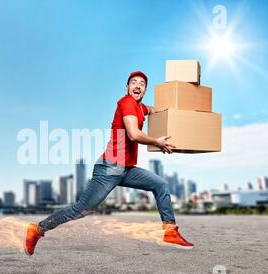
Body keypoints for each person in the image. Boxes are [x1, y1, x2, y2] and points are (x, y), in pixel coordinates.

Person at [24, 71, 194, 255]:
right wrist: (157, 142)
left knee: (160, 184)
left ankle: (170, 231)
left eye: (142, 84)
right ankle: (38, 229)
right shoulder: (127, 103)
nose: (137, 86)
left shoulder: (140, 107)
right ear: (127, 88)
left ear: (144, 90)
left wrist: (173, 107)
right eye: (133, 83)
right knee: (81, 209)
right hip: (109, 169)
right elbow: (133, 134)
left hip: (126, 169)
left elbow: (151, 109)